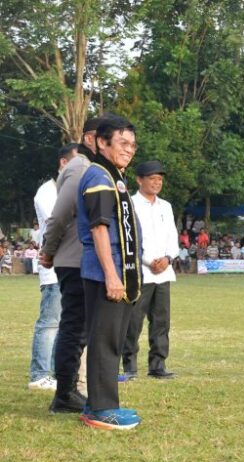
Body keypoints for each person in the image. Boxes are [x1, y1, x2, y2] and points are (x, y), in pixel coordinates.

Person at [41, 117, 112, 413]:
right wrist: (48, 249)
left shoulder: (96, 170)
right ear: (90, 139)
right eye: (106, 139)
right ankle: (64, 392)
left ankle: (70, 388)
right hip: (73, 260)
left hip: (82, 259)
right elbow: (59, 215)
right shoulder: (80, 167)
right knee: (74, 327)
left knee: (80, 327)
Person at [76, 115, 143, 429]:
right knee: (104, 341)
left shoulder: (113, 176)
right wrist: (112, 276)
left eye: (132, 145)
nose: (129, 150)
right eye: (122, 143)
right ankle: (102, 409)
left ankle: (96, 402)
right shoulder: (99, 176)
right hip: (107, 274)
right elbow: (100, 229)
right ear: (101, 143)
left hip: (120, 272)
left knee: (111, 339)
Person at [121, 160, 179, 382]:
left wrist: (167, 258)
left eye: (160, 180)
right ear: (139, 180)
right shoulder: (130, 204)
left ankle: (158, 365)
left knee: (161, 321)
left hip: (164, 272)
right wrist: (147, 261)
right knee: (133, 321)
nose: (157, 183)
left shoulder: (166, 206)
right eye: (152, 179)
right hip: (140, 272)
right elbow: (130, 239)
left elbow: (172, 237)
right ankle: (129, 366)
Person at [28, 144, 78, 391]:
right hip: (53, 266)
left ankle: (57, 372)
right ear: (63, 163)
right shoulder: (47, 192)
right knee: (49, 322)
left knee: (64, 323)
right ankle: (39, 374)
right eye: (76, 162)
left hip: (68, 264)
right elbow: (58, 224)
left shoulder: (68, 190)